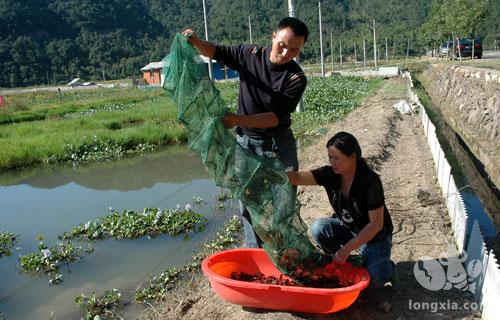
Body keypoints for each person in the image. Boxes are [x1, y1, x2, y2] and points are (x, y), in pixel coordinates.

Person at [183, 17, 309, 248]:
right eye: (282, 44)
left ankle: (282, 250)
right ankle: (254, 250)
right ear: (273, 37)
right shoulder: (249, 54)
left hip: (278, 145)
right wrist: (196, 40)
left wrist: (237, 119)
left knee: (283, 200)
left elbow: (273, 118)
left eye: (294, 50)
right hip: (246, 142)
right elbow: (217, 52)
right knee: (247, 199)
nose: (286, 52)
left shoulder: (296, 78)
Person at [287, 132, 395, 287]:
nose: (332, 162)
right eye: (330, 158)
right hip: (350, 228)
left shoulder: (370, 182)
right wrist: (270, 176)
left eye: (336, 158)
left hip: (374, 236)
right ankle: (344, 264)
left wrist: (346, 249)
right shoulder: (330, 175)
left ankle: (389, 269)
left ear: (352, 156)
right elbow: (297, 178)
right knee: (319, 228)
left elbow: (376, 225)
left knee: (374, 280)